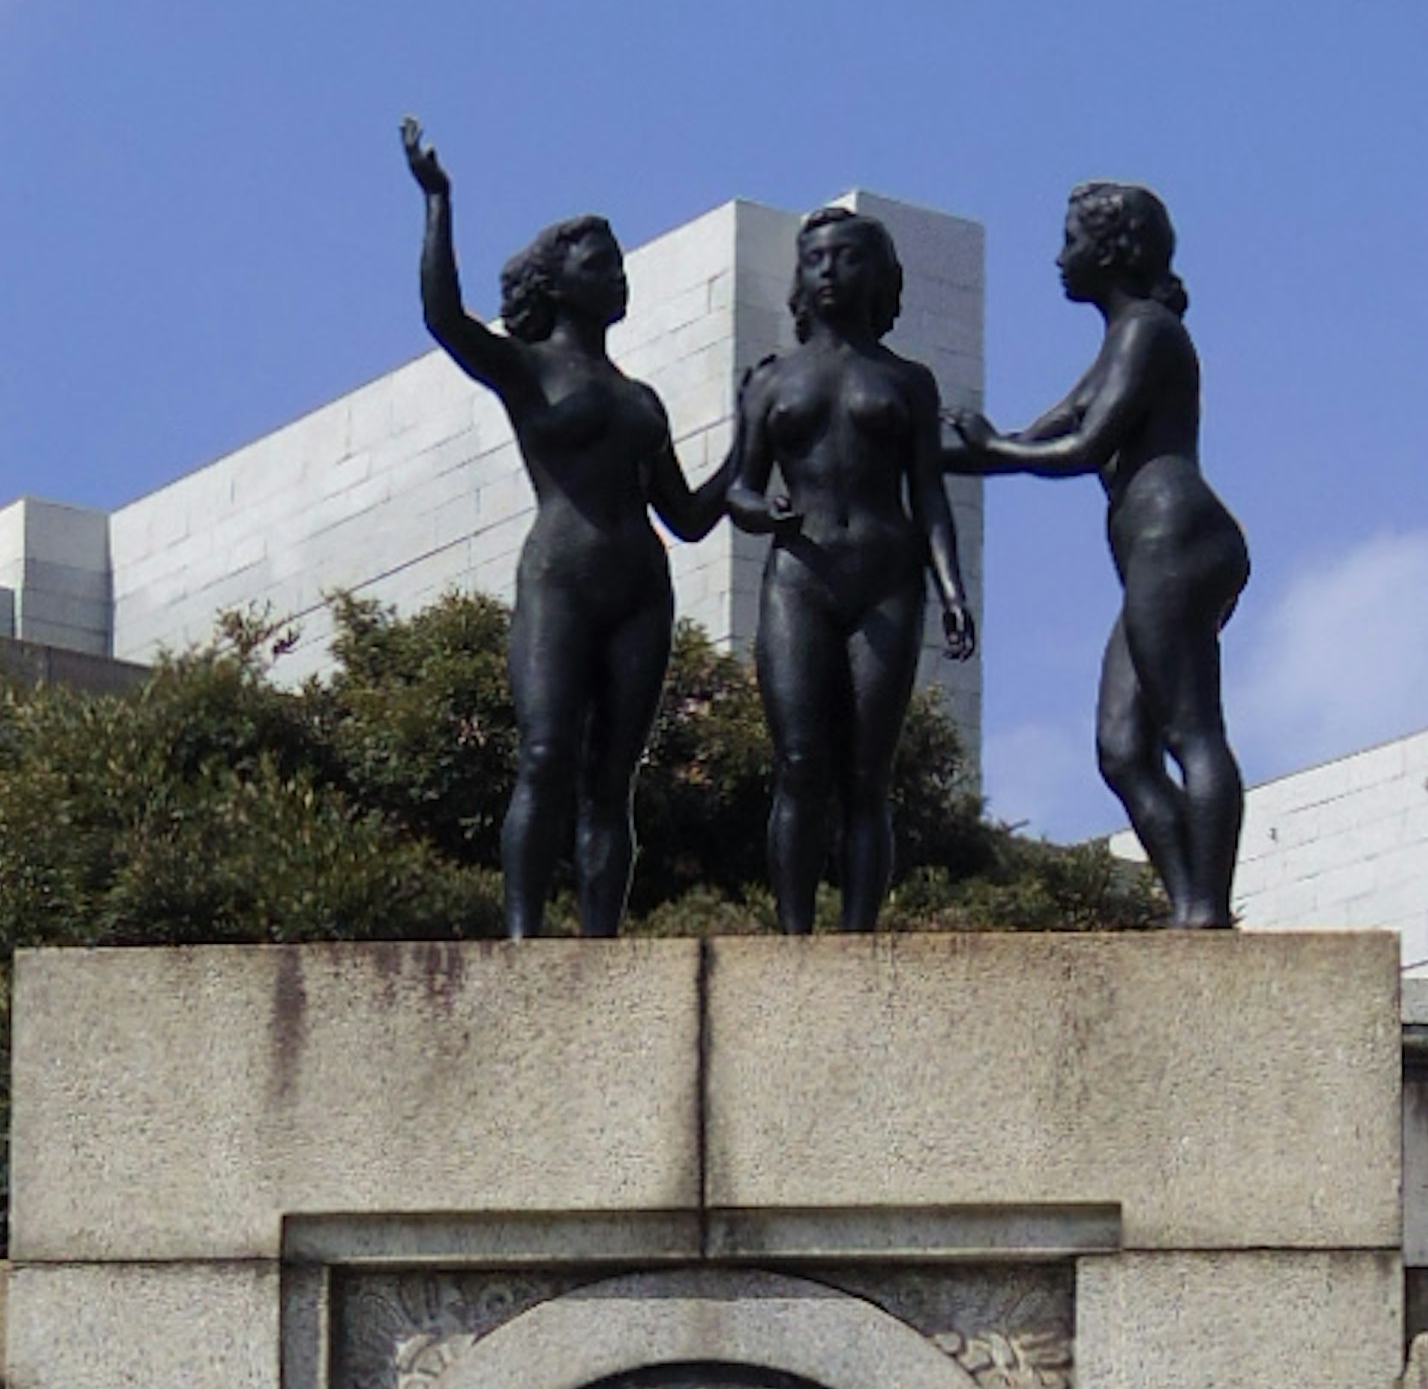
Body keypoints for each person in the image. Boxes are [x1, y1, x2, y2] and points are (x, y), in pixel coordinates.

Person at [403, 121, 707, 937]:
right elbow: (443, 317)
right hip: (560, 580)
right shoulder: (526, 368)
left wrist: (753, 442)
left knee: (614, 782)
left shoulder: (643, 399)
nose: (617, 276)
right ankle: (523, 936)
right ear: (555, 279)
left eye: (618, 263)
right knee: (544, 756)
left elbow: (686, 515)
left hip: (642, 585)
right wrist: (439, 201)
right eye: (598, 263)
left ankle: (600, 942)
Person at [950, 183, 1249, 923]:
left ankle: (1206, 911)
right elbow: (1032, 436)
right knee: (1121, 749)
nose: (1060, 258)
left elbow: (1087, 444)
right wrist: (931, 452)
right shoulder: (1120, 338)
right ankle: (1190, 903)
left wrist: (990, 446)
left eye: (1071, 241)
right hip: (1154, 555)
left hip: (1178, 540)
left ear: (1111, 249)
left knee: (1190, 728)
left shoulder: (1149, 331)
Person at [715, 207, 978, 934]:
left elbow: (929, 495)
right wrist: (758, 510)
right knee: (800, 761)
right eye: (817, 259)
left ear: (879, 275)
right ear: (802, 276)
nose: (829, 270)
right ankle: (795, 935)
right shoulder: (772, 382)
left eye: (846, 257)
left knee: (869, 773)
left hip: (887, 580)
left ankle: (857, 934)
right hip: (800, 576)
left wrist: (952, 590)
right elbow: (739, 486)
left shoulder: (909, 381)